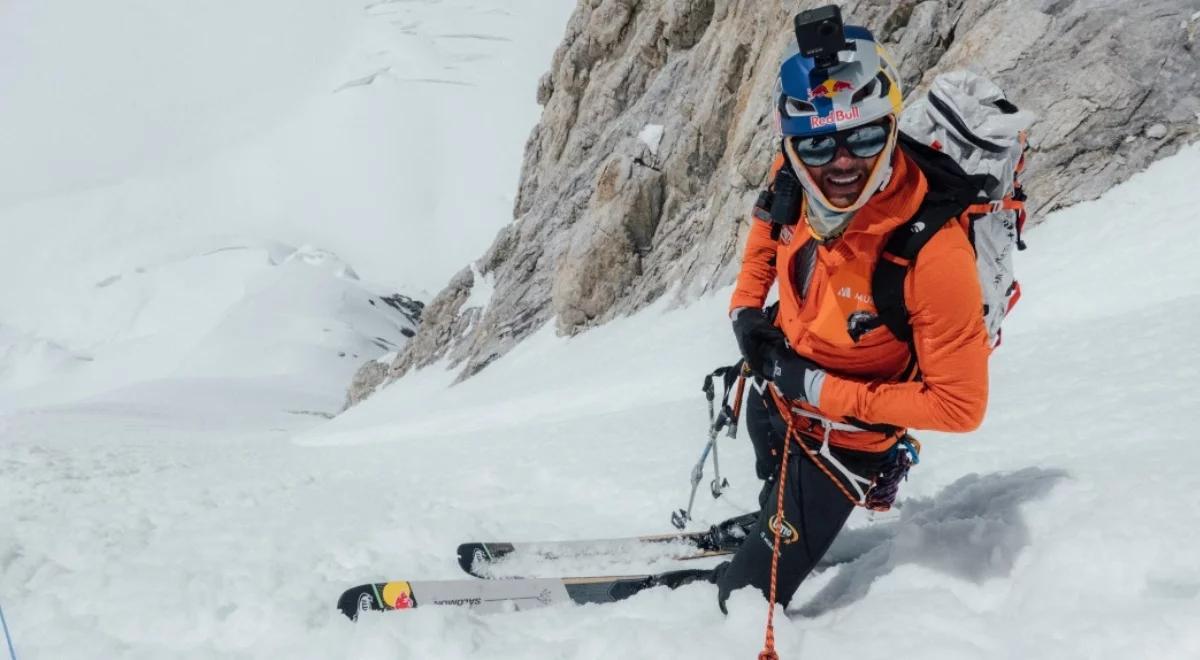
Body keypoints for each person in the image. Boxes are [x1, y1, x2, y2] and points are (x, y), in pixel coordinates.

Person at [710, 18, 991, 612]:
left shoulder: (933, 254)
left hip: (842, 444)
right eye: (816, 145)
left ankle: (788, 530)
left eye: (863, 140)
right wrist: (745, 309)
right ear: (790, 145)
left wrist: (820, 388)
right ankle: (776, 510)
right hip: (778, 386)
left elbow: (960, 407)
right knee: (771, 469)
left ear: (889, 129)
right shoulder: (792, 171)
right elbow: (766, 231)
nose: (841, 163)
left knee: (740, 604)